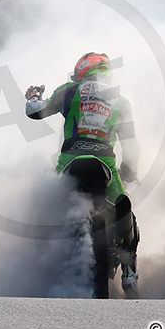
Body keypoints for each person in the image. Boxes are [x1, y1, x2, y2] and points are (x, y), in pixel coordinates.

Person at [25, 52, 141, 298]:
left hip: (69, 161)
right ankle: (129, 275)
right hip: (105, 165)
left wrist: (34, 94)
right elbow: (131, 145)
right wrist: (130, 170)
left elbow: (35, 111)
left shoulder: (69, 90)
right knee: (125, 209)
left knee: (44, 206)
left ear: (82, 70)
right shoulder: (121, 101)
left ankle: (37, 263)